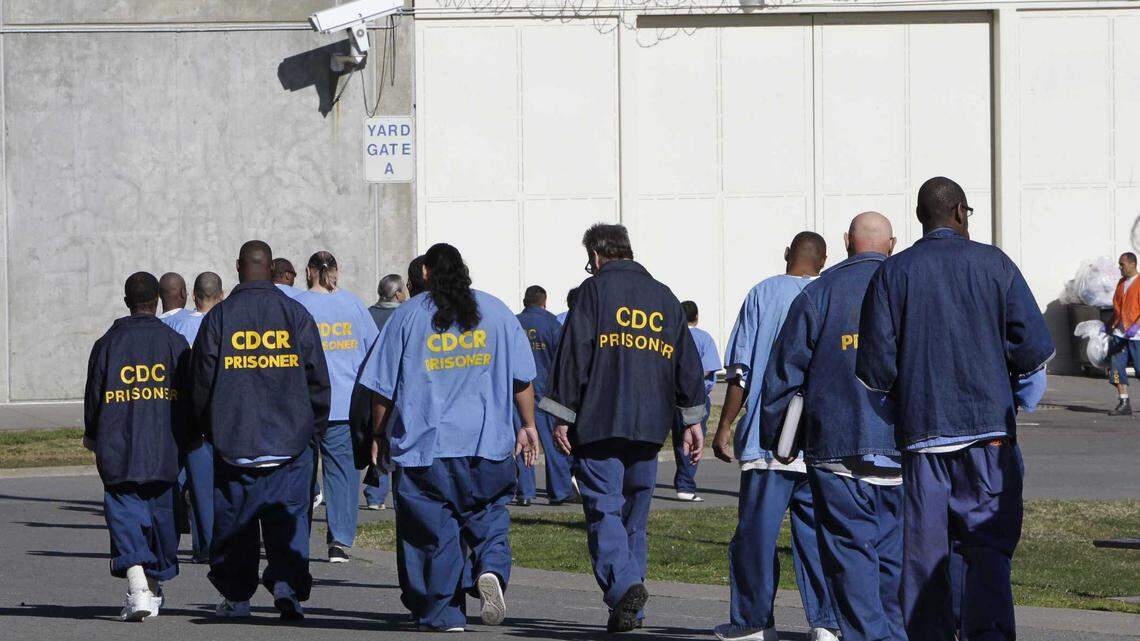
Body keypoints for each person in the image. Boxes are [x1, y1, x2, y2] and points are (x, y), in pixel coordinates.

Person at [856, 177, 1053, 641]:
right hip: (988, 435)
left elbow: (875, 369)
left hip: (924, 436)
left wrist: (901, 406)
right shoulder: (995, 264)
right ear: (961, 212)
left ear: (921, 217)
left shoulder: (893, 272)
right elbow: (1033, 350)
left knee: (925, 556)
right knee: (986, 547)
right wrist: (1013, 394)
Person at [360, 243, 540, 632]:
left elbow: (382, 390)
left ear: (425, 274)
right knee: (490, 514)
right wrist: (528, 426)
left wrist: (379, 433)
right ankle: (489, 566)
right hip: (487, 444)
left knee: (432, 534)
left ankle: (444, 613)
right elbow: (522, 379)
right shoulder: (496, 312)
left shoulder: (407, 316)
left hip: (427, 450)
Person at [541, 223, 706, 633]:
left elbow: (574, 353)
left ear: (597, 256)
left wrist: (562, 413)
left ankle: (626, 585)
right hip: (650, 425)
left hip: (599, 421)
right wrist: (691, 420)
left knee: (603, 508)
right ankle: (630, 608)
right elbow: (687, 365)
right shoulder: (666, 297)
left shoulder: (594, 292)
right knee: (635, 517)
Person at [760, 213, 904, 641]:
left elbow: (783, 374)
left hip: (837, 446)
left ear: (846, 242)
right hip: (903, 449)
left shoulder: (820, 293)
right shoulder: (911, 288)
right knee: (894, 558)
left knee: (850, 556)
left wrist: (778, 437)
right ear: (892, 244)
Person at [192, 240, 331, 621]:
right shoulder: (295, 313)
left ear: (238, 267)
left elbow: (201, 382)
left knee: (236, 526)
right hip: (290, 444)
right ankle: (287, 585)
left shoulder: (218, 319)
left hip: (236, 442)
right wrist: (313, 429)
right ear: (271, 269)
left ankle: (237, 598)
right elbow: (317, 377)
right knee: (289, 522)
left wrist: (208, 428)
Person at [711, 231, 839, 641]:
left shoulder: (763, 294)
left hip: (769, 438)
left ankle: (753, 621)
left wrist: (726, 424)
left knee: (756, 536)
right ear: (825, 259)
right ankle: (826, 622)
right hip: (820, 439)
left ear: (787, 254)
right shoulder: (831, 293)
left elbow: (741, 369)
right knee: (817, 536)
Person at [83, 271, 193, 621]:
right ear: (157, 301)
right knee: (162, 520)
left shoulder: (107, 344)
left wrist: (93, 433)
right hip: (164, 447)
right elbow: (189, 398)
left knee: (126, 516)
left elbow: (94, 397)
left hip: (120, 447)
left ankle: (143, 587)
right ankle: (142, 587)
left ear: (127, 301)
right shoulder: (175, 344)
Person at [295, 251, 379, 563]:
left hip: (305, 403)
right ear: (336, 271)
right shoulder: (354, 304)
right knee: (342, 474)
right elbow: (374, 349)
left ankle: (297, 537)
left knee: (302, 472)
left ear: (308, 271)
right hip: (344, 403)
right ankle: (340, 540)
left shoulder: (300, 305)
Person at [165, 272, 224, 564]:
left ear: (193, 296)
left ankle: (175, 538)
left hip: (181, 413)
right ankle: (208, 544)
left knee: (185, 483)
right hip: (215, 414)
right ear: (221, 294)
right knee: (211, 485)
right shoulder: (225, 323)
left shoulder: (175, 324)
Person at [514, 285, 576, 506]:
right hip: (545, 390)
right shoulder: (552, 324)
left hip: (518, 390)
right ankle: (559, 491)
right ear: (544, 302)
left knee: (523, 440)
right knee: (553, 443)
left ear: (525, 301)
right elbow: (562, 359)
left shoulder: (513, 322)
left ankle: (525, 492)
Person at [362, 273, 408, 510]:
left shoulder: (368, 314)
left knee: (376, 437)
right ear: (398, 293)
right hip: (397, 387)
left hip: (370, 386)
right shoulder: (404, 315)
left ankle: (375, 494)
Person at [673, 300, 721, 502]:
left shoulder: (672, 337)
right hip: (696, 397)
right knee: (693, 440)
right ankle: (685, 485)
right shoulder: (704, 338)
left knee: (676, 439)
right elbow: (709, 368)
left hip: (671, 396)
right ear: (696, 317)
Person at [1107, 252, 1140, 415]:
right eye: (1120, 264)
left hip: (1137, 335)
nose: (1120, 268)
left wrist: (1136, 325)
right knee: (1116, 369)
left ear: (1133, 264)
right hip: (1120, 334)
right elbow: (1117, 306)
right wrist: (1108, 325)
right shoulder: (1121, 283)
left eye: (1123, 264)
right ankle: (1124, 401)